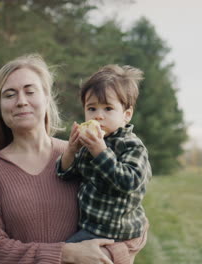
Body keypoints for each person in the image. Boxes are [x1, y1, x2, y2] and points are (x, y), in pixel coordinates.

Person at [0, 54, 148, 264]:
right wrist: (65, 254)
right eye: (9, 95)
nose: (21, 101)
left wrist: (108, 256)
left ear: (46, 98)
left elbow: (134, 223)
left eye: (30, 91)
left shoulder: (86, 153)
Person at [57, 65, 151, 243]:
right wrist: (71, 150)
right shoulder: (89, 143)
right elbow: (65, 174)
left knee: (66, 254)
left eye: (108, 108)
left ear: (126, 115)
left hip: (114, 230)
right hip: (89, 225)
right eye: (91, 109)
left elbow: (128, 182)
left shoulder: (131, 146)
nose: (98, 116)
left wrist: (100, 152)